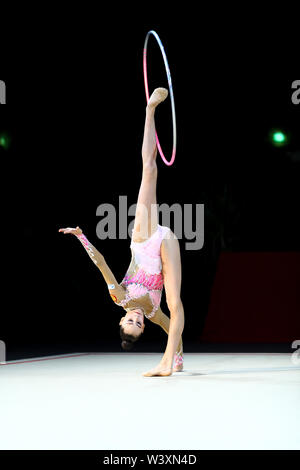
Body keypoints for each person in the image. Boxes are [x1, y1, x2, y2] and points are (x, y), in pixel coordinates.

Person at [59, 88, 185, 377]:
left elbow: (101, 264)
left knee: (150, 169)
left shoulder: (120, 297)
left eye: (130, 321)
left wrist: (82, 237)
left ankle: (150, 110)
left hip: (143, 241)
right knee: (174, 305)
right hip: (165, 246)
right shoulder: (153, 313)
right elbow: (172, 329)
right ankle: (171, 361)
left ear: (121, 319)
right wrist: (178, 352)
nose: (137, 319)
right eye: (139, 325)